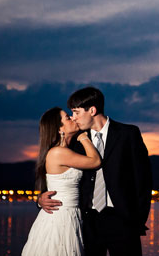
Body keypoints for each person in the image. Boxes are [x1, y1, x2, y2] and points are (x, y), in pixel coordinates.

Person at [39, 87, 153, 256]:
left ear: (92, 110)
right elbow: (53, 172)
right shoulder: (76, 141)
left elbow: (143, 180)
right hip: (86, 221)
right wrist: (40, 197)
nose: (74, 118)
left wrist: (137, 220)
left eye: (76, 112)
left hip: (122, 221)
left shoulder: (128, 134)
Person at [22, 107, 101, 256]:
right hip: (61, 217)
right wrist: (83, 137)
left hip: (73, 215)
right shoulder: (58, 152)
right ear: (59, 129)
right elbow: (95, 161)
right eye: (67, 118)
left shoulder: (68, 149)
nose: (73, 118)